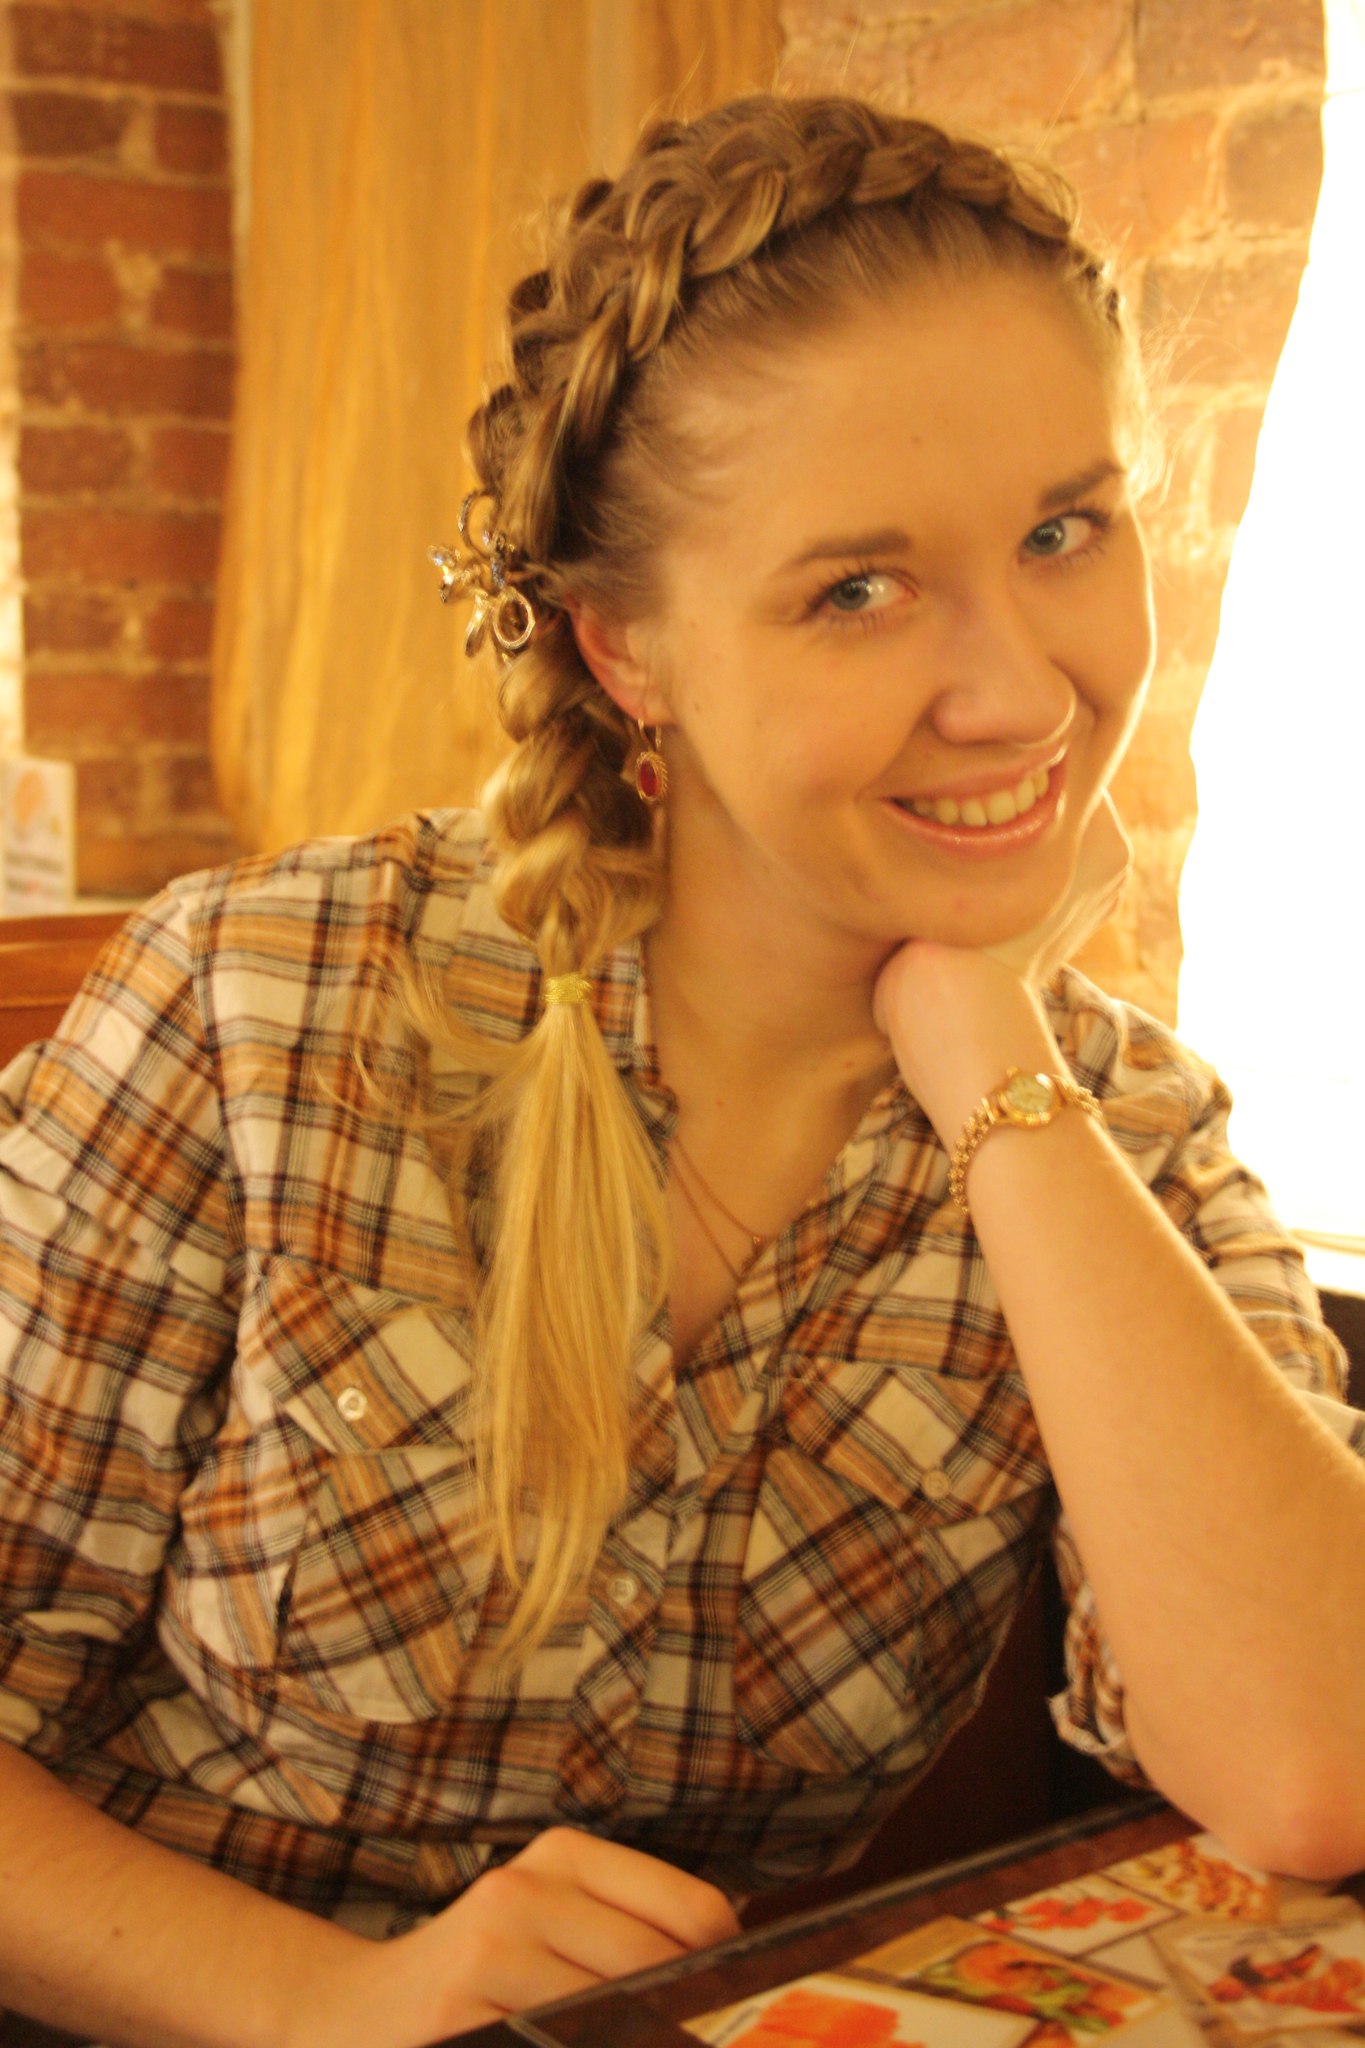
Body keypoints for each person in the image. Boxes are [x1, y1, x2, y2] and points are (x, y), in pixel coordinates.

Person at [0, 90, 1362, 2048]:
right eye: (856, 589)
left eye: (1062, 531)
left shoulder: (1118, 1136)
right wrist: (338, 2006)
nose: (1017, 691)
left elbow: (1313, 1769)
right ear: (626, 649)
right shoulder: (264, 1013)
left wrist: (976, 1023)